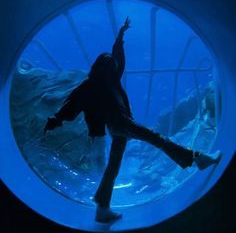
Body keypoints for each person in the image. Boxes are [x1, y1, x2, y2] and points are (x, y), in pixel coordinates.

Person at [44, 17, 222, 223]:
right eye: (110, 63)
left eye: (114, 63)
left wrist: (121, 35)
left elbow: (118, 57)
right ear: (102, 66)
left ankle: (102, 208)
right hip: (120, 123)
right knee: (155, 137)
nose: (115, 65)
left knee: (113, 165)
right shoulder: (90, 85)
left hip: (119, 125)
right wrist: (56, 119)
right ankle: (197, 158)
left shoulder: (111, 79)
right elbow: (71, 104)